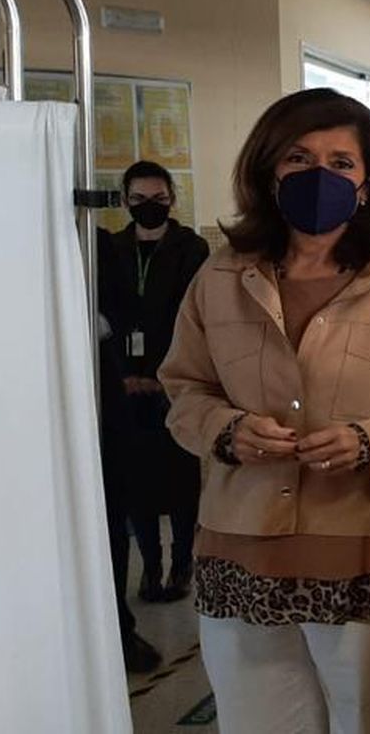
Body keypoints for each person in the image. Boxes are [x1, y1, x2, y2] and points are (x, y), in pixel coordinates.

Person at [159, 88, 370, 734]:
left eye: (340, 162)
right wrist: (227, 430)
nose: (319, 175)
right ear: (269, 170)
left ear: (368, 181)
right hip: (240, 550)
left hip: (365, 554)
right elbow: (183, 389)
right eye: (299, 158)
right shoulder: (219, 278)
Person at [113, 160, 209, 602]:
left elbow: (192, 320)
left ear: (171, 197)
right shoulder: (111, 250)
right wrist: (126, 374)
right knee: (138, 479)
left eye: (158, 198)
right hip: (125, 384)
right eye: (138, 200)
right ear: (124, 200)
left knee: (180, 476)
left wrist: (163, 376)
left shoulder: (192, 248)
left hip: (176, 382)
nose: (149, 207)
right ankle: (149, 565)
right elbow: (106, 316)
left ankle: (182, 562)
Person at [95, 225, 163, 673]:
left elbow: (125, 310)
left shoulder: (90, 240)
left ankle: (117, 628)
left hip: (103, 388)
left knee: (111, 515)